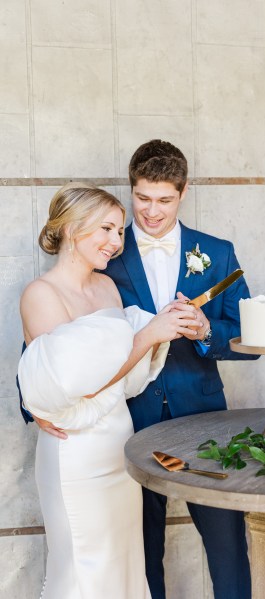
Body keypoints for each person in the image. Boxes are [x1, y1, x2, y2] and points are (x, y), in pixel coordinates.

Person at [30, 140, 258, 599]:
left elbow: (249, 338)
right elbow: (46, 343)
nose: (151, 212)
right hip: (126, 423)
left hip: (202, 422)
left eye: (164, 200)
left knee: (228, 545)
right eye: (142, 197)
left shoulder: (217, 251)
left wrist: (204, 330)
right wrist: (35, 405)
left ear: (184, 192)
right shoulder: (104, 247)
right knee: (139, 552)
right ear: (131, 188)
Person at [18, 184, 201, 598]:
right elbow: (74, 383)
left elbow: (125, 374)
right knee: (83, 566)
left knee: (123, 564)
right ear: (70, 228)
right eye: (106, 229)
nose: (116, 243)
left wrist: (161, 331)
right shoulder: (40, 294)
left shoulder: (107, 289)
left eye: (120, 231)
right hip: (75, 451)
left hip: (119, 442)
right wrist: (149, 333)